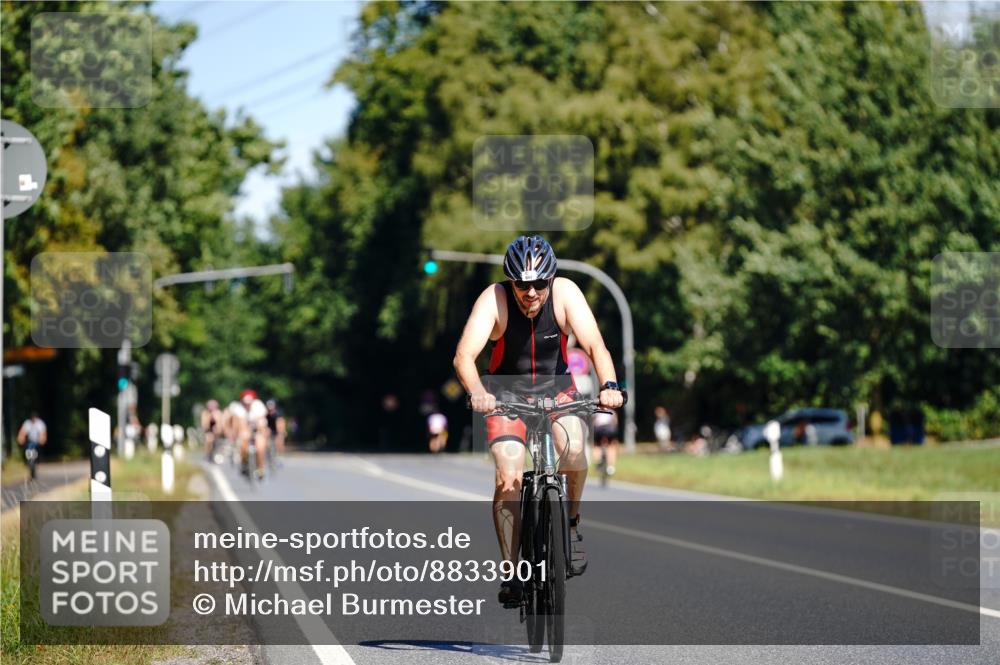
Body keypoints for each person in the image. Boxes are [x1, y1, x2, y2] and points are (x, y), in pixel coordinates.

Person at [453, 235, 625, 606]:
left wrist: (610, 384)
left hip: (558, 390)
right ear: (510, 282)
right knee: (508, 476)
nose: (530, 292)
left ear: (550, 279)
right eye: (521, 284)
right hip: (505, 395)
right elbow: (464, 356)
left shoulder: (566, 292)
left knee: (576, 452)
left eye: (538, 284)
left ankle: (572, 521)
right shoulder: (494, 299)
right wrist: (477, 391)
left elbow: (595, 345)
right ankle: (512, 570)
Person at [237, 390, 268, 477]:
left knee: (260, 448)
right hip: (246, 429)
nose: (247, 405)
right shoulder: (239, 408)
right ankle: (244, 463)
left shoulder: (258, 406)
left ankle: (261, 468)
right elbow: (241, 423)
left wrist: (258, 432)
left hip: (258, 428)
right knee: (243, 445)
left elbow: (259, 421)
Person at [592, 409, 619, 475]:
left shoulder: (596, 410)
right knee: (611, 446)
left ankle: (598, 461)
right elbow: (615, 422)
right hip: (610, 429)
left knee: (596, 445)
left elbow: (593, 422)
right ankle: (610, 467)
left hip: (599, 429)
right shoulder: (612, 411)